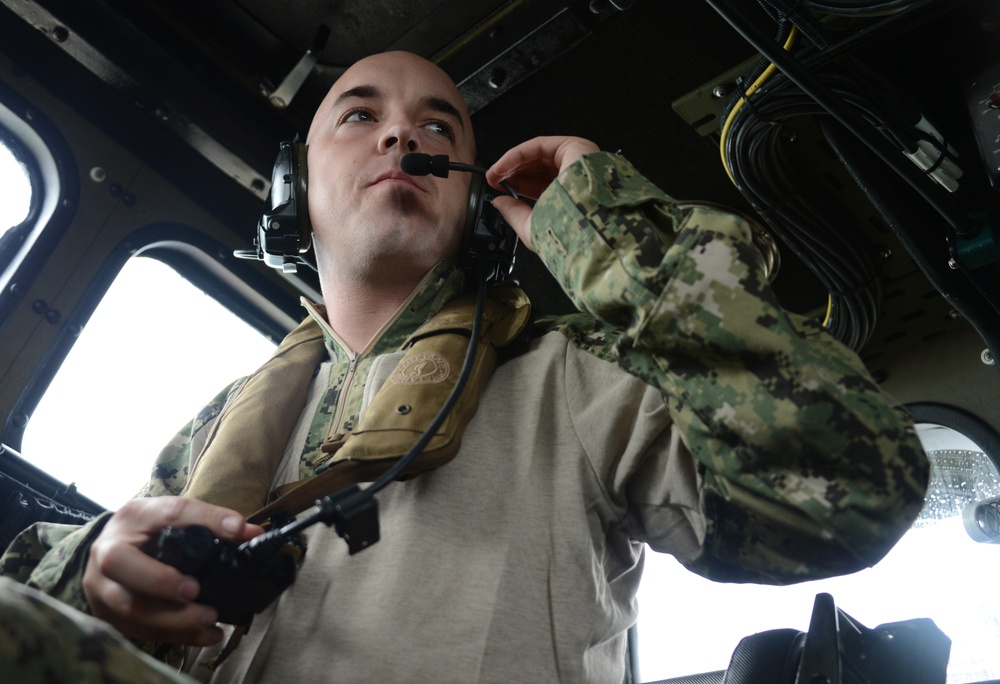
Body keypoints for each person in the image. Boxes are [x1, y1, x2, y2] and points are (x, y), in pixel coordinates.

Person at [0, 51, 928, 683]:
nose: (403, 138)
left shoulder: (579, 381)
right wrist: (93, 569)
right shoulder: (222, 425)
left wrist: (611, 233)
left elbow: (844, 494)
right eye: (359, 116)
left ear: (474, 206)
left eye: (438, 126)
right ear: (296, 192)